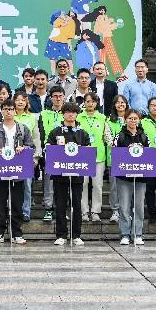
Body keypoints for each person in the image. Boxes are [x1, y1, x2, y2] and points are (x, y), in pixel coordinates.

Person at [0, 99, 36, 245]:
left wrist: (23, 148)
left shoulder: (23, 128)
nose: (8, 111)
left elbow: (31, 147)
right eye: (5, 109)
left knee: (17, 203)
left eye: (11, 109)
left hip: (17, 172)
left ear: (15, 111)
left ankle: (16, 233)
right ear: (1, 111)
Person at [46, 102, 90, 246]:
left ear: (77, 114)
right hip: (59, 174)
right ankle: (61, 235)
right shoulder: (55, 131)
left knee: (77, 205)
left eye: (73, 112)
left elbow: (89, 150)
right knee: (60, 205)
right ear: (63, 113)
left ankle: (76, 235)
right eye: (67, 111)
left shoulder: (83, 132)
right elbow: (48, 149)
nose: (70, 114)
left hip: (77, 174)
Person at [112, 109, 149, 245]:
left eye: (135, 118)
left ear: (139, 120)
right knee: (124, 206)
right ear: (125, 119)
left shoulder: (144, 136)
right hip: (123, 177)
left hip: (140, 177)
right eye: (130, 118)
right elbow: (114, 153)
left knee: (139, 206)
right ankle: (125, 234)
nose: (133, 121)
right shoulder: (120, 136)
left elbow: (149, 154)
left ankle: (137, 233)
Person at [37, 86, 67, 221]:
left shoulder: (68, 113)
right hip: (49, 152)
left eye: (60, 96)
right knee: (48, 183)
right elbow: (40, 134)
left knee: (63, 183)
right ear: (50, 98)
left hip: (65, 153)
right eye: (55, 96)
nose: (58, 99)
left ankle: (61, 209)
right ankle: (48, 209)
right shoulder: (44, 114)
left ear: (64, 97)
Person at [10, 92, 40, 222]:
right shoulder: (9, 115)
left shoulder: (31, 118)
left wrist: (36, 157)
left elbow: (36, 139)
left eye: (23, 100)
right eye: (18, 100)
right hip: (10, 157)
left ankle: (26, 211)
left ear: (27, 102)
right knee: (12, 185)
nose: (20, 102)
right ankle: (12, 210)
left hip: (27, 156)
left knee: (27, 186)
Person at [77, 92, 107, 222]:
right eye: (88, 101)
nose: (90, 104)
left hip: (98, 156)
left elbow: (107, 136)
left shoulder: (102, 118)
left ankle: (95, 211)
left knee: (97, 185)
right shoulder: (78, 117)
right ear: (84, 102)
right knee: (83, 184)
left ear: (97, 103)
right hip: (82, 156)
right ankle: (83, 211)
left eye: (93, 101)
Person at [105, 95, 129, 223]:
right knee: (114, 186)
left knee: (128, 186)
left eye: (123, 102)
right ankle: (115, 210)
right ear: (114, 105)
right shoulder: (109, 120)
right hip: (114, 157)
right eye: (118, 102)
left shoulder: (131, 118)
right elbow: (107, 138)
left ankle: (126, 210)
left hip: (130, 159)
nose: (120, 104)